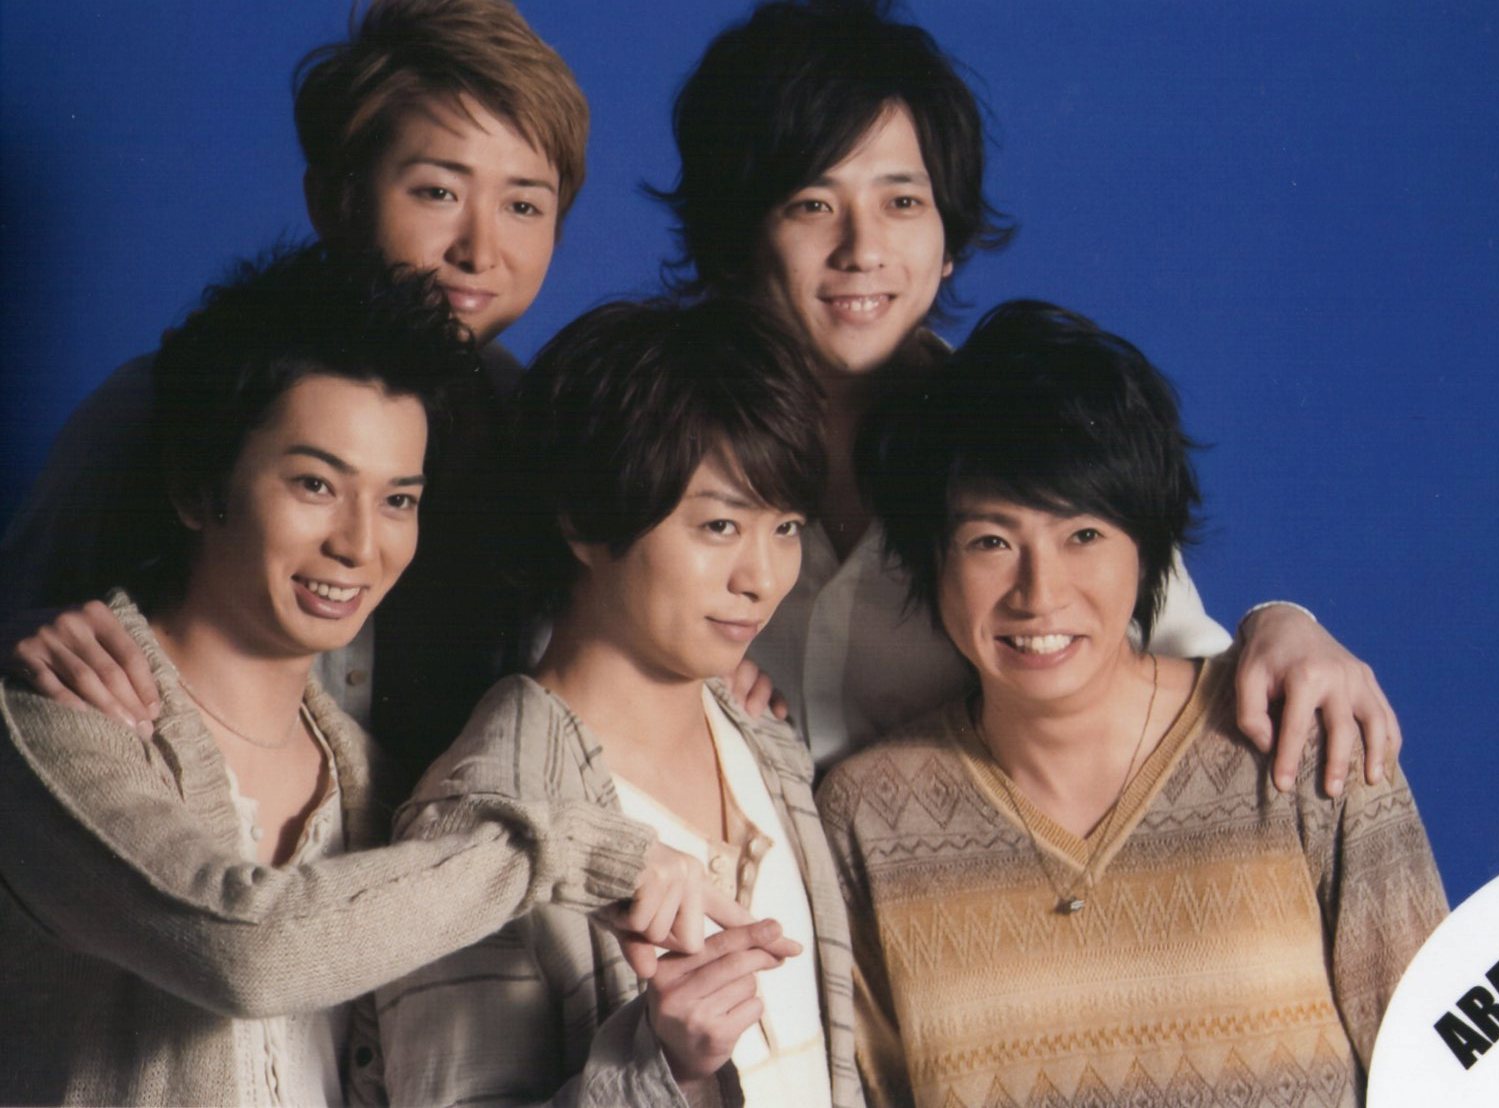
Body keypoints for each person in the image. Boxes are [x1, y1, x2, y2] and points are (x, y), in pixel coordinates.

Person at [658, 0, 1398, 794]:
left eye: (901, 202)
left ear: (948, 239)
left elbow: (1182, 669)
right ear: (735, 235)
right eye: (811, 204)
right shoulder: (660, 446)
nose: (862, 249)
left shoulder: (1027, 433)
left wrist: (1281, 625)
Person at [0, 246, 668, 1105]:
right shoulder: (55, 723)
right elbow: (250, 951)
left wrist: (659, 1064)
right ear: (197, 488)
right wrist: (565, 852)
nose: (359, 544)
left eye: (398, 500)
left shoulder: (377, 789)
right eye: (315, 484)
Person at [818, 301, 1448, 1106]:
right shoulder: (869, 819)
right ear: (930, 560)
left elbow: (1446, 1065)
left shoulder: (1299, 741)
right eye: (990, 542)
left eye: (1082, 536)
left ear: (1147, 549)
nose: (1038, 593)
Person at [2, 0, 588, 760]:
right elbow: (20, 614)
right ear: (334, 199)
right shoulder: (163, 405)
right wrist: (23, 638)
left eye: (523, 205)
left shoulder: (547, 433)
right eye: (438, 192)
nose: (480, 250)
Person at [374, 299, 861, 1107]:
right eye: (719, 527)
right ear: (584, 520)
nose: (762, 577)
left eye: (786, 528)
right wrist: (664, 1070)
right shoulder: (477, 819)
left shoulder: (764, 740)